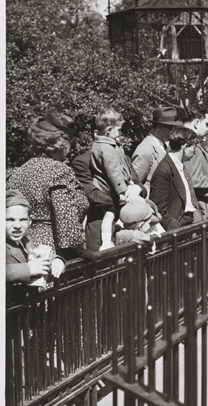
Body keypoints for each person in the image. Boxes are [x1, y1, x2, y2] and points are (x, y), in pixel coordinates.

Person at [8, 113, 88, 260]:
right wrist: (79, 251)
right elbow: (64, 214)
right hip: (53, 252)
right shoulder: (58, 170)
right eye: (70, 140)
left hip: (22, 250)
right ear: (61, 142)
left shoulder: (18, 172)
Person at [90, 108, 144, 249]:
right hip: (108, 190)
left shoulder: (105, 145)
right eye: (118, 130)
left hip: (113, 188)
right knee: (110, 213)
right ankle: (106, 241)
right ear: (109, 130)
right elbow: (113, 172)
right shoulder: (107, 149)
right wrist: (122, 191)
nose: (120, 133)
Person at [6, 189, 66, 286]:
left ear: (30, 221)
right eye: (10, 219)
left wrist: (56, 260)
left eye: (23, 220)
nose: (17, 225)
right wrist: (29, 269)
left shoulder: (25, 240)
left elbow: (37, 254)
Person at [149, 126, 202, 231]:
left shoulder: (179, 165)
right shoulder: (164, 170)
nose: (195, 152)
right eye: (194, 147)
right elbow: (159, 209)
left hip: (187, 224)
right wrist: (175, 228)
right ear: (185, 146)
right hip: (176, 229)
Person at [131, 107, 183, 193]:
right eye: (170, 128)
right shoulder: (145, 149)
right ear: (159, 127)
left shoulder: (164, 146)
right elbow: (135, 184)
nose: (173, 131)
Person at [180, 107, 208, 220]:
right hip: (198, 213)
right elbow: (194, 180)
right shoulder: (190, 146)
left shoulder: (189, 143)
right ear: (197, 123)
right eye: (206, 124)